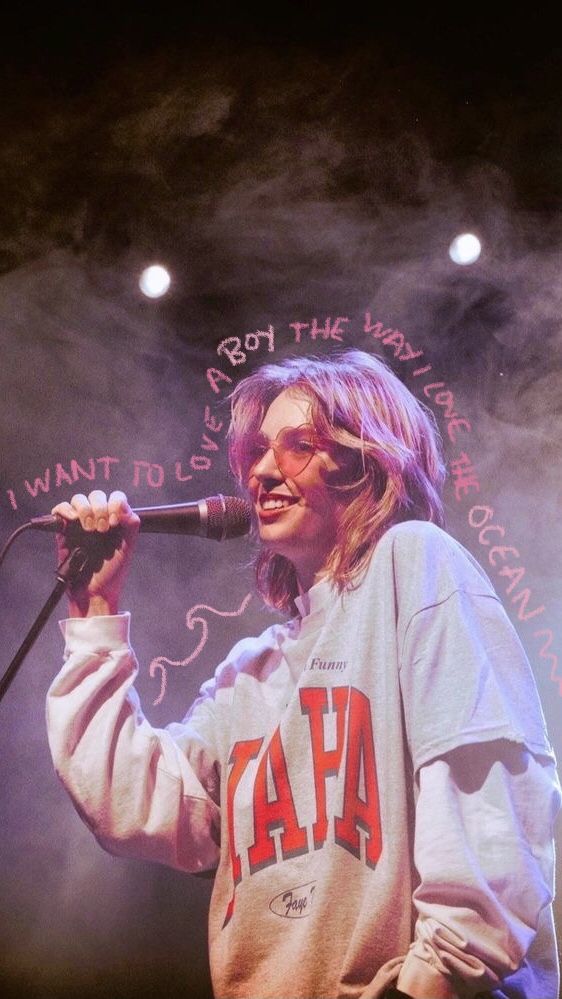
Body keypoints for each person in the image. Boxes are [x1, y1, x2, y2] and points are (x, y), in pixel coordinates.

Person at [46, 349, 561, 999]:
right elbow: (134, 807)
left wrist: (429, 984)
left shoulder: (417, 564)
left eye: (297, 445)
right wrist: (95, 612)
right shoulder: (250, 673)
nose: (262, 470)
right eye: (257, 451)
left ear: (368, 458)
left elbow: (491, 803)